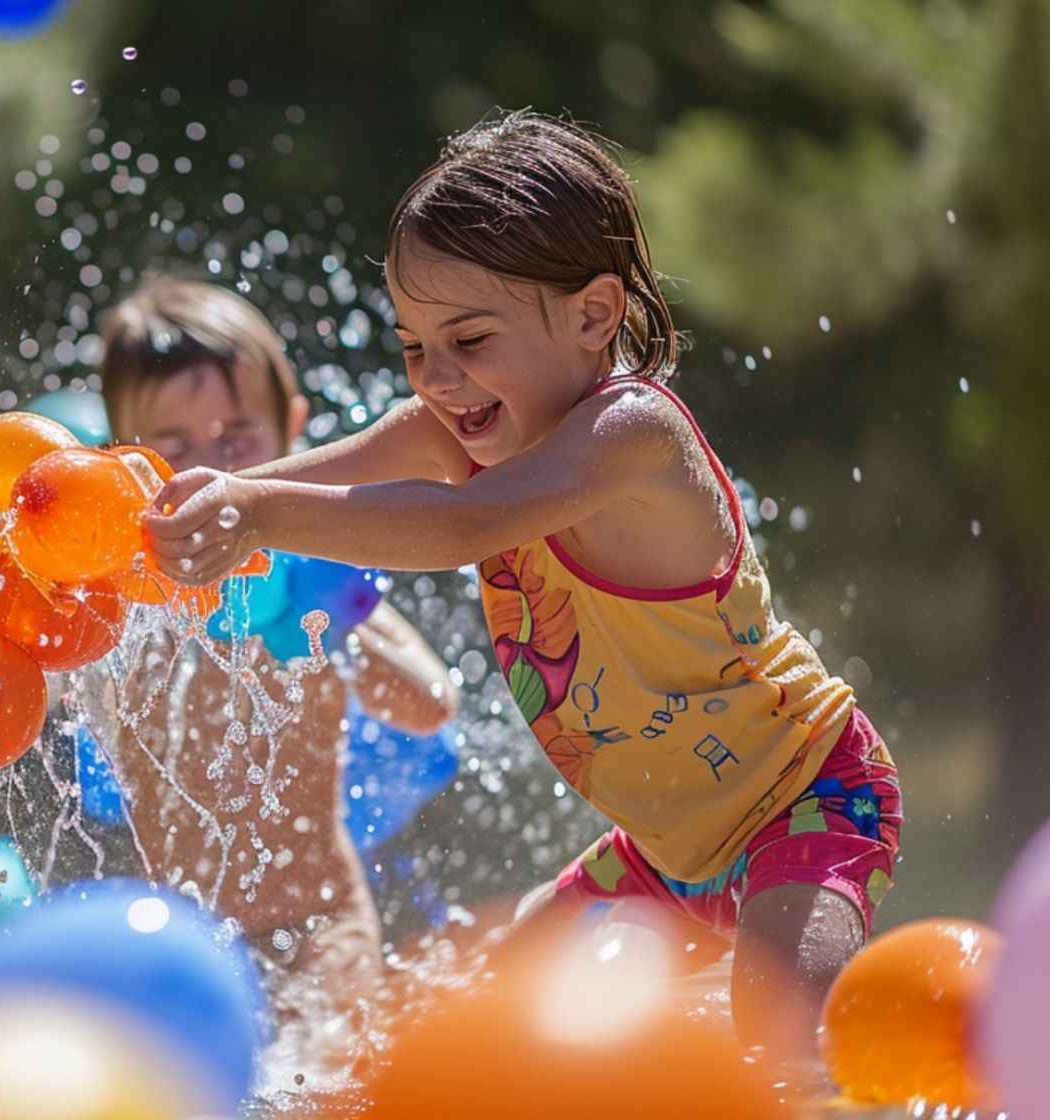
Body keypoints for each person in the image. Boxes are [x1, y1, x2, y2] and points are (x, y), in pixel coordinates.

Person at [143, 110, 904, 1063]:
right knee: (483, 1046)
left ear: (592, 316)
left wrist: (256, 517)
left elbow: (464, 523)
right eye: (415, 345)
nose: (439, 379)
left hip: (807, 799)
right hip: (661, 850)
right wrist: (213, 502)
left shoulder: (632, 436)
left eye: (469, 338)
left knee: (787, 1049)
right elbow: (336, 466)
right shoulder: (464, 422)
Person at [75, 274, 459, 1079]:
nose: (212, 471)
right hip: (174, 937)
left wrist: (332, 631)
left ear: (293, 431)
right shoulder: (120, 597)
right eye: (174, 447)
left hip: (318, 919)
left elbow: (430, 702)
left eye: (237, 439)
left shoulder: (319, 564)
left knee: (326, 1082)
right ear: (122, 456)